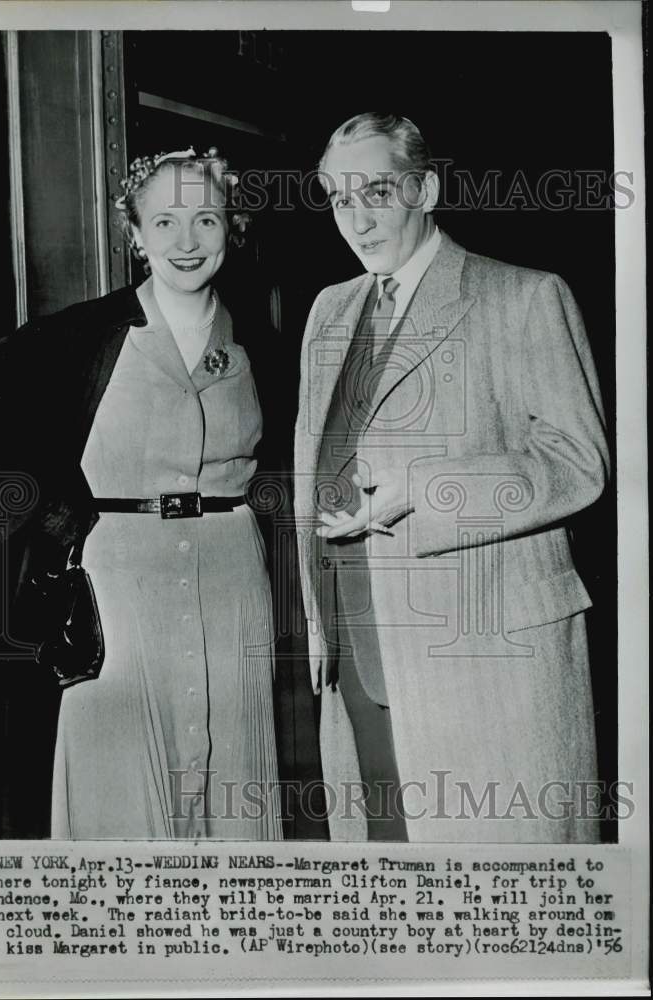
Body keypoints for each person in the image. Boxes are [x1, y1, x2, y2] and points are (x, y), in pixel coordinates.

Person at [0, 148, 283, 840]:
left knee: (232, 782)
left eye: (205, 219)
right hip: (119, 582)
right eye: (165, 221)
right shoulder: (80, 337)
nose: (186, 241)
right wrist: (54, 514)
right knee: (121, 785)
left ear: (231, 227)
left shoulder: (260, 346)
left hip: (233, 577)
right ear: (135, 235)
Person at [294, 113, 609, 842]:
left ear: (426, 187)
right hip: (360, 656)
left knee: (502, 899)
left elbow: (577, 461)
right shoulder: (329, 309)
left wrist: (427, 490)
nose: (358, 219)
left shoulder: (523, 297)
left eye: (376, 191)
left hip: (485, 664)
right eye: (340, 199)